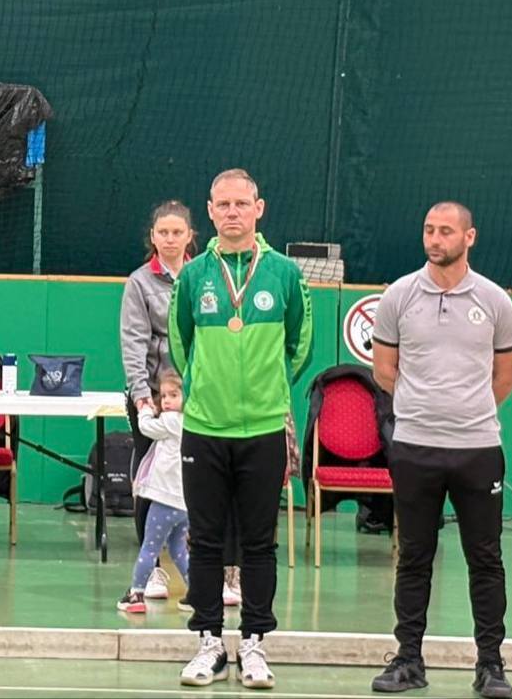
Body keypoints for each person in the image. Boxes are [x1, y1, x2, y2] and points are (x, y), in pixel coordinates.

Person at [369, 201, 512, 699]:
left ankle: (490, 665)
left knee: (486, 558)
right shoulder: (398, 296)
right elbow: (383, 370)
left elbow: (505, 378)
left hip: (478, 449)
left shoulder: (495, 301)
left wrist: (465, 411)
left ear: (469, 237)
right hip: (414, 448)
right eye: (429, 230)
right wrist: (424, 407)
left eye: (446, 231)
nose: (435, 239)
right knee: (414, 556)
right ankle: (408, 660)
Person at [169, 168, 312, 689]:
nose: (232, 212)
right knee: (205, 540)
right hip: (205, 426)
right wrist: (203, 388)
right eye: (223, 205)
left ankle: (254, 643)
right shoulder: (192, 276)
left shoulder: (285, 273)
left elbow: (300, 344)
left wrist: (269, 391)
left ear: (259, 208)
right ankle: (209, 642)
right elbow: (181, 342)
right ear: (209, 212)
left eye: (241, 204)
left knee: (259, 542)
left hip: (264, 427)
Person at [120, 201, 243, 604]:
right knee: (150, 481)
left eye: (177, 232)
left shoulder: (207, 276)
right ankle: (154, 569)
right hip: (156, 401)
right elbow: (134, 341)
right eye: (163, 233)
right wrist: (143, 398)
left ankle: (225, 572)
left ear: (191, 236)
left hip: (204, 401)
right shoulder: (139, 283)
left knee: (215, 481)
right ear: (152, 237)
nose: (170, 239)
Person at [117, 371, 190, 614]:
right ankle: (198, 592)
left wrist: (145, 409)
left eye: (174, 395)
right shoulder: (190, 423)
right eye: (163, 396)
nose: (166, 401)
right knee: (178, 549)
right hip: (183, 502)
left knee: (149, 547)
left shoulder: (171, 421)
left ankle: (136, 594)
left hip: (164, 500)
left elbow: (145, 427)